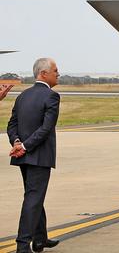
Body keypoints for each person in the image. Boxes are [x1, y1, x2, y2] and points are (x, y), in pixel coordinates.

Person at [7, 58, 61, 253]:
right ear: (43, 73)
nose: (58, 74)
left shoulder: (23, 96)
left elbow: (11, 125)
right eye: (55, 70)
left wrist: (17, 143)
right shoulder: (51, 96)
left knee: (34, 196)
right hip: (38, 156)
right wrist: (26, 146)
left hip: (23, 156)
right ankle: (23, 245)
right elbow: (46, 128)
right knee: (33, 198)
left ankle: (40, 238)